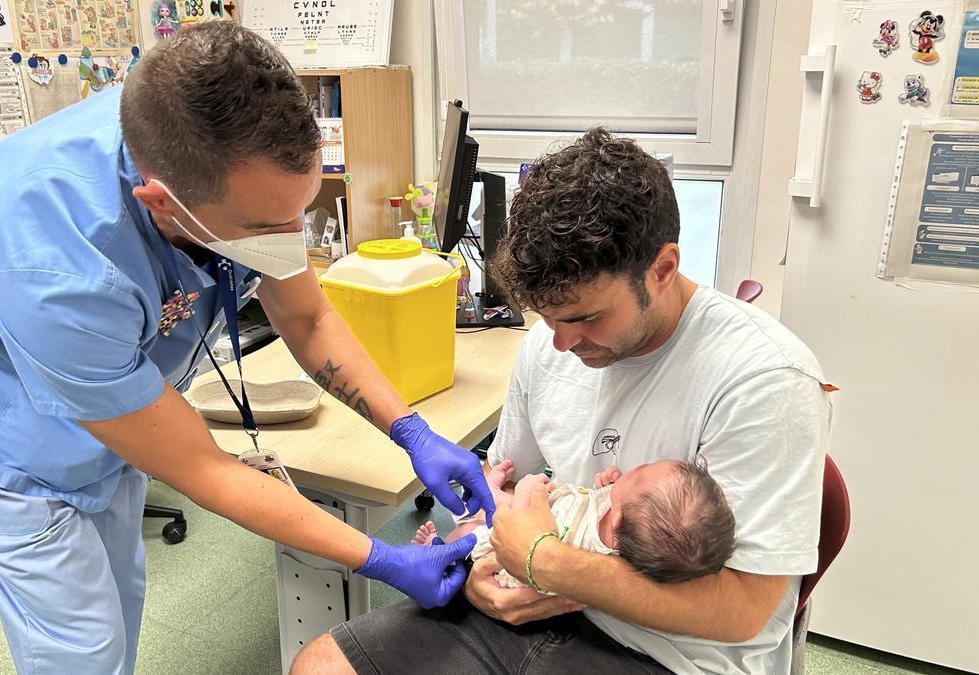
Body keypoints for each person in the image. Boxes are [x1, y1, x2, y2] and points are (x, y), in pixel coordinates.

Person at [0, 22, 493, 674]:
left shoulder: (205, 142)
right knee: (81, 646)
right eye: (266, 227)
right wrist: (381, 558)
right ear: (161, 203)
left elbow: (308, 318)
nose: (289, 239)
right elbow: (206, 469)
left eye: (301, 210)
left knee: (121, 596)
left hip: (104, 376)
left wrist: (412, 431)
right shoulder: (59, 268)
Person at [296, 129, 831, 674]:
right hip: (528, 606)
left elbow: (743, 612)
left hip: (671, 653)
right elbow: (502, 492)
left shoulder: (764, 379)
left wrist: (543, 560)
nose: (561, 343)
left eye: (586, 317)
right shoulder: (549, 346)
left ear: (663, 270)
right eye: (549, 317)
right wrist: (480, 572)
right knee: (319, 665)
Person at [414, 458, 736, 588]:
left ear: (618, 520)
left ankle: (438, 552)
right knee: (491, 509)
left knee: (475, 532)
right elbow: (599, 504)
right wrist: (606, 487)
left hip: (513, 555)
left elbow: (523, 530)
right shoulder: (623, 526)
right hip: (550, 511)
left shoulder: (586, 544)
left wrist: (527, 489)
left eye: (639, 472)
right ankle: (488, 497)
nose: (638, 465)